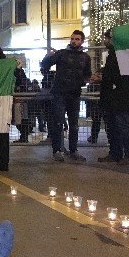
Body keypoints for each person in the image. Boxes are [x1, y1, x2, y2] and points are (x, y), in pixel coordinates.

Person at [40, 30, 92, 162]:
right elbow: (45, 65)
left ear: (82, 41)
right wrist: (48, 56)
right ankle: (57, 150)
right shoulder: (62, 53)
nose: (74, 41)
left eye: (77, 39)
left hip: (74, 94)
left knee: (74, 124)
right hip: (60, 93)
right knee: (58, 122)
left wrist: (87, 79)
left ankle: (73, 150)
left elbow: (87, 74)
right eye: (73, 38)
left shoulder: (85, 57)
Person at [92, 29, 129, 165]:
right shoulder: (112, 54)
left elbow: (120, 75)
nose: (105, 40)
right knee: (111, 127)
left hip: (121, 97)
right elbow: (110, 73)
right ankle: (115, 153)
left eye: (108, 38)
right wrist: (102, 76)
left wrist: (102, 77)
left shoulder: (123, 54)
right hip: (110, 97)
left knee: (123, 126)